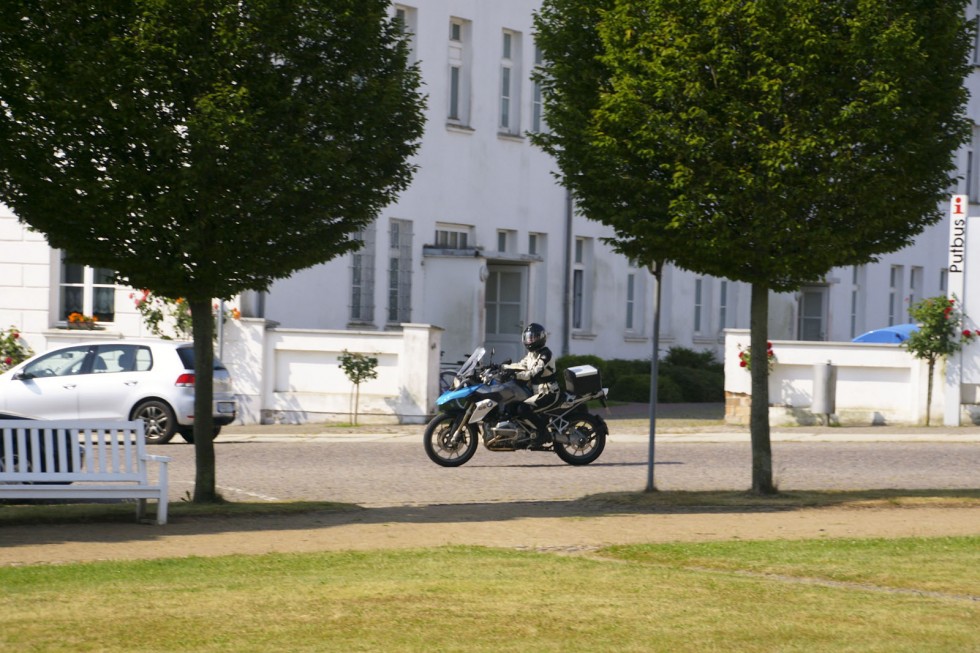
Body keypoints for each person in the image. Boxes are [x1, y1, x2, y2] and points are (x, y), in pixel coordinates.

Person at [499, 323, 560, 443]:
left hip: (548, 393)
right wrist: (502, 367)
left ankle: (543, 433)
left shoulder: (545, 355)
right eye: (528, 337)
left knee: (523, 409)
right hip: (535, 391)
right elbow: (521, 365)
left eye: (533, 337)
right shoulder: (532, 354)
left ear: (541, 338)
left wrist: (514, 374)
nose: (530, 340)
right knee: (511, 405)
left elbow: (533, 373)